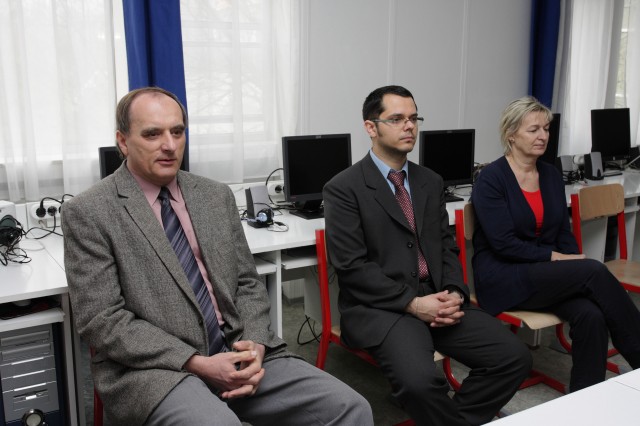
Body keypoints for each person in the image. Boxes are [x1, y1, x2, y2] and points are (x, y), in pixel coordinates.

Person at [62, 87, 373, 426]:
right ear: (123, 141)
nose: (169, 145)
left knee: (351, 408)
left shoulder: (214, 195)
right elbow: (101, 319)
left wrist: (254, 343)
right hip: (156, 371)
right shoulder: (90, 212)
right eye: (152, 134)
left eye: (177, 131)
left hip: (237, 349)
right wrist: (196, 362)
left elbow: (247, 283)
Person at [323, 85, 532, 426]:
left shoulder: (430, 181)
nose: (409, 126)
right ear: (371, 127)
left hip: (438, 298)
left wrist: (454, 291)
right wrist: (413, 304)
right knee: (420, 384)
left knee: (514, 357)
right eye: (396, 119)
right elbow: (352, 268)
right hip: (384, 308)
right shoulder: (343, 188)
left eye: (413, 118)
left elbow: (446, 246)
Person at [471, 95, 640, 392]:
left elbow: (562, 231)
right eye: (533, 129)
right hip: (504, 276)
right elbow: (504, 245)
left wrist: (570, 260)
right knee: (593, 271)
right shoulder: (491, 179)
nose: (543, 136)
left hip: (542, 274)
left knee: (591, 314)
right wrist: (558, 260)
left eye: (546, 129)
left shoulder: (549, 174)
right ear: (511, 135)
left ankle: (586, 397)